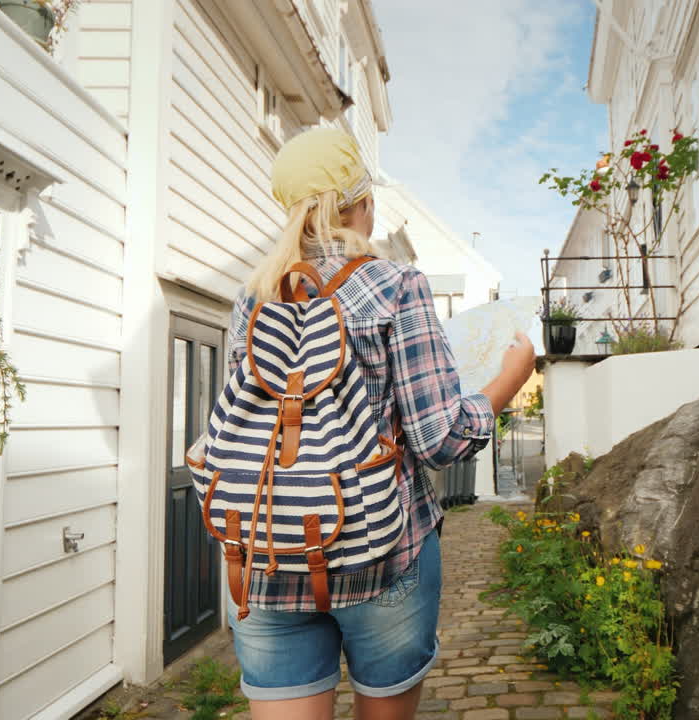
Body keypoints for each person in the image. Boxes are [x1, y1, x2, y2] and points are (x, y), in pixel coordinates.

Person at [223, 127, 535, 720]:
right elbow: (440, 439)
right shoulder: (397, 285)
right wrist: (508, 380)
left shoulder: (254, 297)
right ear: (362, 204)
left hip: (269, 552)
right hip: (383, 551)